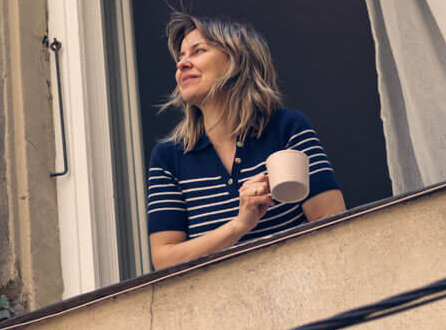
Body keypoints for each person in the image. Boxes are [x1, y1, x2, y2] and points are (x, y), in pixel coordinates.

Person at [146, 13, 346, 269]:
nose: (182, 64)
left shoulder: (286, 129)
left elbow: (335, 226)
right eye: (180, 57)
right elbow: (164, 259)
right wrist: (239, 226)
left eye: (198, 51)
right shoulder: (168, 157)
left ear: (236, 61)